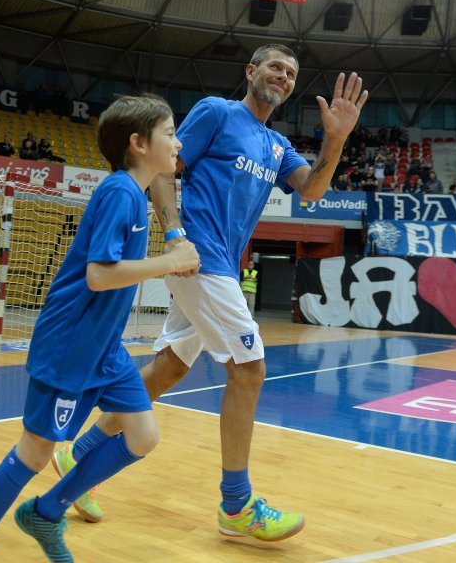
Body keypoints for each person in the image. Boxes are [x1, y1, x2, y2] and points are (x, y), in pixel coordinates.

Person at [59, 43, 368, 541]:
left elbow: (311, 192)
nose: (283, 77)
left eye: (291, 73)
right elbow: (164, 168)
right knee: (249, 369)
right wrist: (175, 233)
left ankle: (77, 453)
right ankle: (236, 505)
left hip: (218, 264)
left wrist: (336, 139)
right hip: (201, 259)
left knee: (171, 366)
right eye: (274, 66)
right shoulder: (217, 112)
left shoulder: (277, 145)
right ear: (251, 71)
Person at [0, 93, 200, 563]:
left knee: (143, 436)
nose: (178, 143)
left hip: (105, 351)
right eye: (170, 133)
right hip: (70, 348)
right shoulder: (121, 192)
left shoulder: (134, 196)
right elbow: (99, 275)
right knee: (34, 454)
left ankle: (48, 509)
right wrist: (170, 261)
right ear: (139, 143)